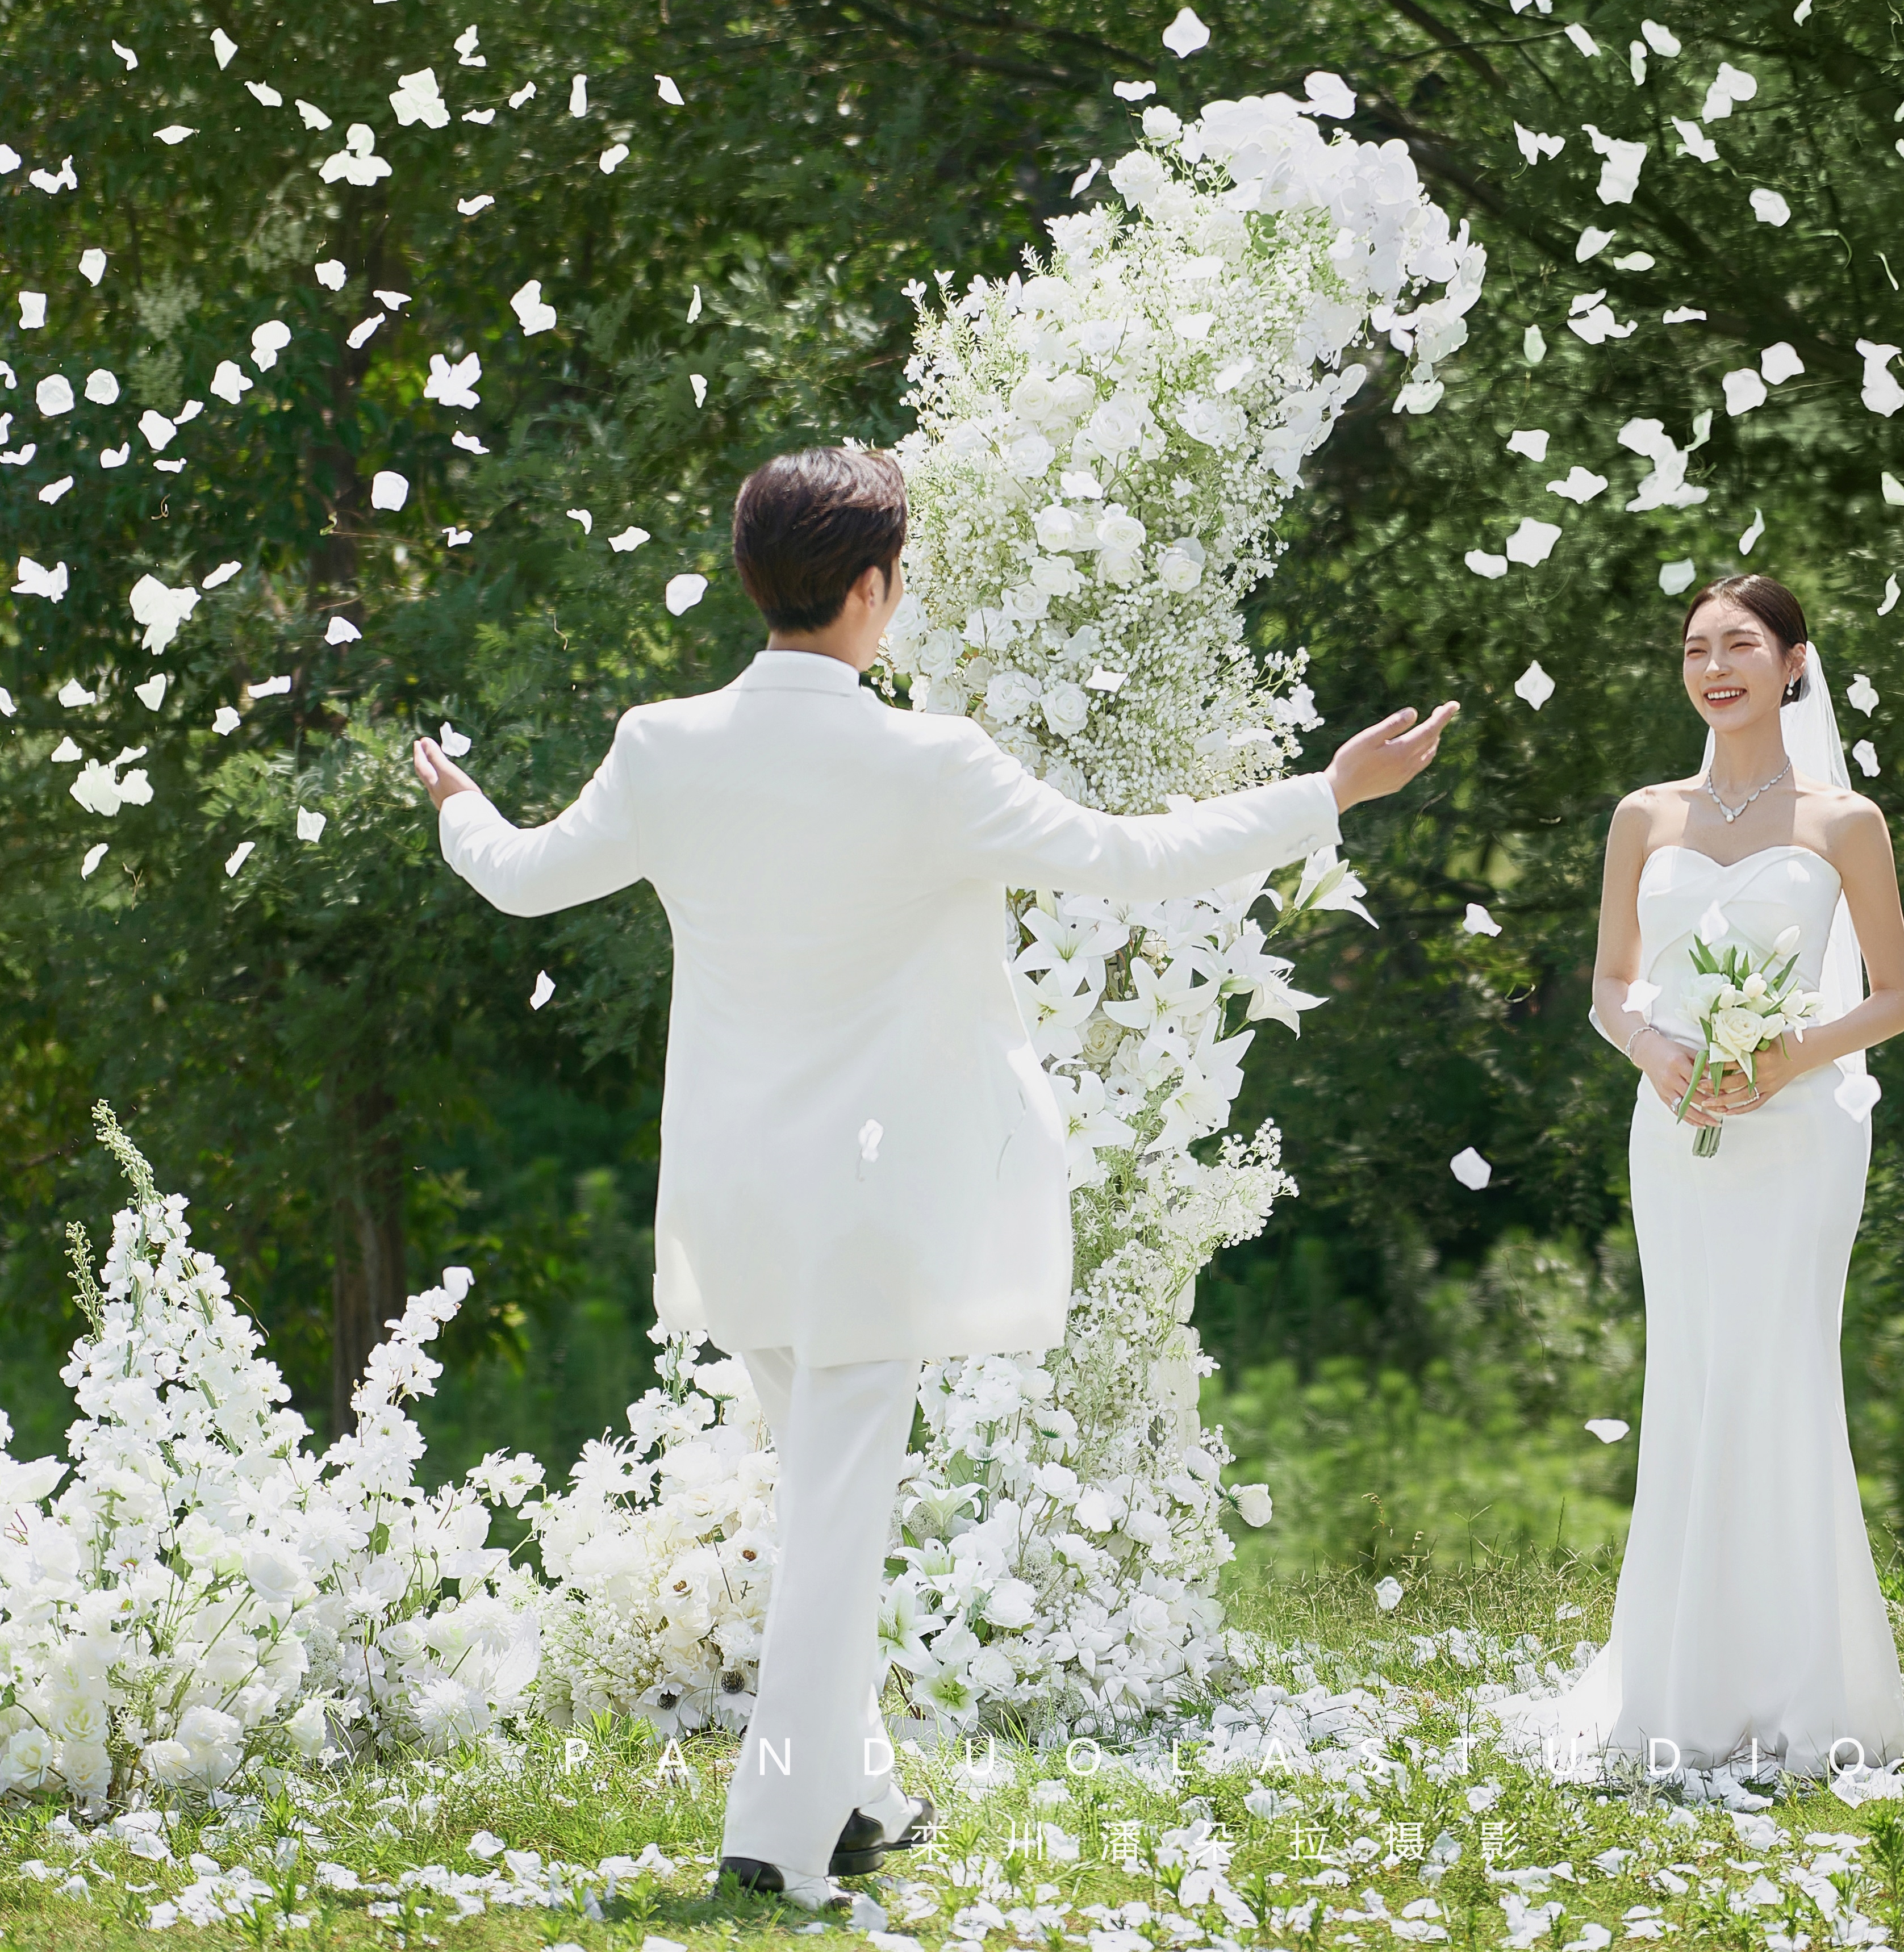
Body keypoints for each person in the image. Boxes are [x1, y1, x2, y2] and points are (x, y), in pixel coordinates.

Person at [409, 445, 1455, 1908]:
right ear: (876, 586)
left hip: (731, 1194)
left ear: (754, 572)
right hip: (873, 1204)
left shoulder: (660, 742)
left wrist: (457, 799)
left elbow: (516, 873)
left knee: (823, 1489)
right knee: (835, 1505)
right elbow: (1137, 860)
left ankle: (860, 1797)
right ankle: (773, 1843)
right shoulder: (932, 759)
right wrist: (1326, 791)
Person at [1513, 572, 1904, 1780]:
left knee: (1779, 1372)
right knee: (1695, 1376)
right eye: (1696, 647)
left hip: (1799, 1134)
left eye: (1740, 643)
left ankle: (1808, 1688)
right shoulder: (1647, 813)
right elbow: (1609, 984)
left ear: (1794, 661)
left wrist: (1784, 1054)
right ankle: (1680, 1680)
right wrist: (1661, 1053)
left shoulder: (1846, 821)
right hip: (1676, 1125)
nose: (1715, 665)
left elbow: (1895, 996)